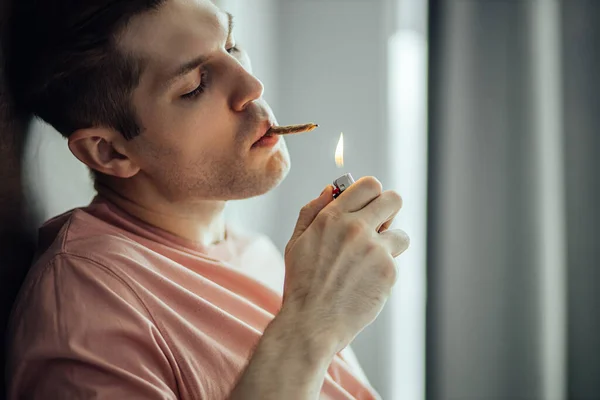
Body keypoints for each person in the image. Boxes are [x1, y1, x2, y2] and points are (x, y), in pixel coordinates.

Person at [4, 0, 409, 398]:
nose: (252, 87)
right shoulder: (84, 313)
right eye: (195, 86)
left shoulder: (259, 254)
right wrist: (311, 323)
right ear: (110, 152)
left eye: (231, 46)